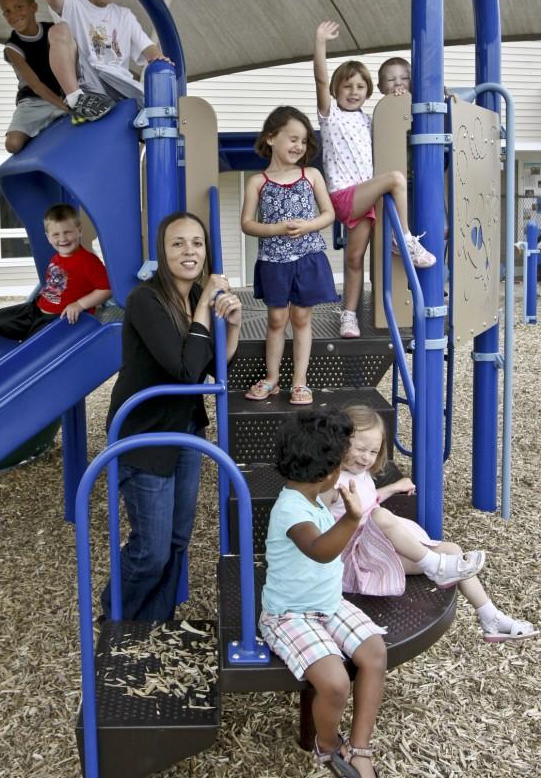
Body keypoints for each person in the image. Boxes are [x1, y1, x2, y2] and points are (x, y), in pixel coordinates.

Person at [100, 211, 242, 622]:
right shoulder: (146, 299)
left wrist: (230, 325)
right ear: (163, 252)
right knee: (151, 551)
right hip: (144, 435)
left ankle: (155, 625)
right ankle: (115, 617)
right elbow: (181, 369)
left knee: (177, 541)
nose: (189, 251)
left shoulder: (196, 296)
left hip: (184, 431)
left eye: (197, 243)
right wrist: (203, 309)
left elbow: (211, 368)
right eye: (178, 243)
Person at [329, 405, 538, 643]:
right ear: (339, 442)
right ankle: (434, 566)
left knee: (454, 553)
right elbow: (334, 519)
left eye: (373, 451)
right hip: (357, 562)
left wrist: (394, 488)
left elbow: (367, 500)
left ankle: (490, 616)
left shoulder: (360, 474)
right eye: (360, 448)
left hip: (378, 550)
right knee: (381, 516)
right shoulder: (331, 482)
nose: (366, 457)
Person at [259, 408, 387, 778]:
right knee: (334, 682)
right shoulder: (289, 509)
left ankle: (360, 745)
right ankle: (328, 746)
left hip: (327, 604)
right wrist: (350, 519)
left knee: (374, 653)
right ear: (330, 472)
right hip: (288, 615)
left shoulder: (314, 497)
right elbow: (319, 550)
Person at [314, 21, 436, 339]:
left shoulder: (371, 120)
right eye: (347, 86)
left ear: (369, 91)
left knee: (355, 260)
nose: (353, 92)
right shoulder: (331, 116)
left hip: (365, 202)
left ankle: (349, 316)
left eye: (360, 87)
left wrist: (400, 96)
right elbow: (320, 77)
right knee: (395, 179)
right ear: (335, 91)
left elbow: (400, 123)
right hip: (344, 195)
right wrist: (320, 43)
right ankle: (405, 240)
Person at [241, 106, 338, 405]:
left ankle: (299, 381)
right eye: (292, 139)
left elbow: (329, 214)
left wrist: (308, 225)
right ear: (271, 138)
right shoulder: (258, 181)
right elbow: (247, 223)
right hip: (273, 261)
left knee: (301, 317)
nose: (299, 146)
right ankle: (272, 379)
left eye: (304, 141)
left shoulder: (311, 175)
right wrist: (276, 229)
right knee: (275, 318)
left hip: (307, 257)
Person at [40, 0, 170, 124]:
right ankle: (76, 100)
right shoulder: (73, 3)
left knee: (162, 112)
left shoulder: (124, 16)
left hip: (118, 84)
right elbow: (53, 0)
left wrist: (159, 58)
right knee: (58, 30)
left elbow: (148, 49)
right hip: (88, 82)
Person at [0, 203, 111, 340]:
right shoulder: (55, 258)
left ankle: (29, 341)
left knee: (34, 342)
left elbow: (107, 289)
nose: (62, 239)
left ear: (79, 231)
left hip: (59, 318)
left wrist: (80, 304)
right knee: (1, 318)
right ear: (48, 237)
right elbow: (53, 283)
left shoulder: (88, 261)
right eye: (56, 234)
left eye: (68, 232)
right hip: (37, 308)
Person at [0, 0, 67, 154]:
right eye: (7, 11)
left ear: (33, 7)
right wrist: (66, 108)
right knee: (12, 145)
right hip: (33, 102)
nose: (14, 15)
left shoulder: (52, 30)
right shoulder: (12, 48)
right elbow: (36, 86)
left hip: (61, 95)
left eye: (18, 7)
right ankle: (35, 138)